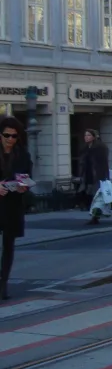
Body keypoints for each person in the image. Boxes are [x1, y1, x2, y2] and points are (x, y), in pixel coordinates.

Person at [0, 117, 32, 300]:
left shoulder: (22, 154)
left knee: (8, 245)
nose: (11, 139)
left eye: (14, 136)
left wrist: (23, 186)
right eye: (7, 135)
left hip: (12, 205)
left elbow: (26, 177)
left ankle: (3, 283)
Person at [78, 129, 110, 225]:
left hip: (98, 175)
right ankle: (93, 214)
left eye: (88, 135)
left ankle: (95, 217)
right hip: (88, 174)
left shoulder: (100, 147)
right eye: (85, 135)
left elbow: (103, 163)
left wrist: (104, 176)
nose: (86, 137)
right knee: (89, 195)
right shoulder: (85, 148)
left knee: (97, 197)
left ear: (93, 137)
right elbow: (83, 162)